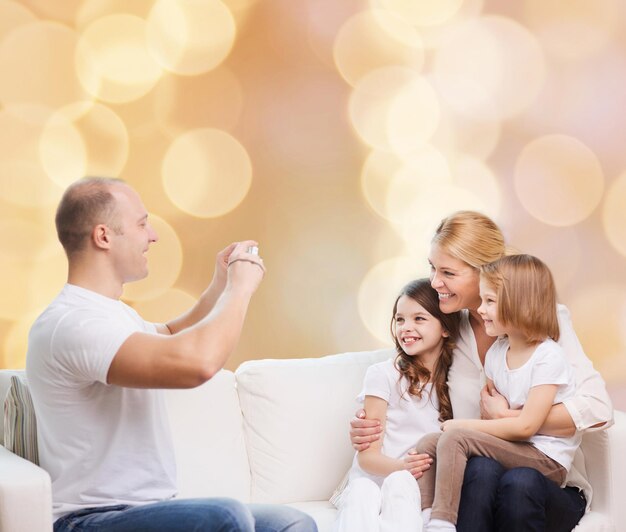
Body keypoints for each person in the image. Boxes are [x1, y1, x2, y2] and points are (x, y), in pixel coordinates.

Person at [26, 177, 317, 532]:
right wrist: (240, 289)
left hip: (152, 510)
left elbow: (169, 335)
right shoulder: (72, 323)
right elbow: (196, 365)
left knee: (292, 523)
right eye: (141, 223)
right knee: (227, 517)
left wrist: (220, 284)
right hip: (91, 520)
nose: (153, 236)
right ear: (103, 237)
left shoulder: (110, 314)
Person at [349, 211, 613, 532]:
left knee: (518, 482)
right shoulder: (448, 329)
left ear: (486, 272)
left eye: (447, 272)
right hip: (478, 479)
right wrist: (371, 428)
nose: (435, 283)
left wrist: (510, 418)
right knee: (481, 470)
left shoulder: (542, 323)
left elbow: (598, 408)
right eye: (432, 268)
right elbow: (406, 375)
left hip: (542, 483)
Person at [417, 254, 581, 531]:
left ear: (519, 303)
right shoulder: (497, 353)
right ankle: (423, 515)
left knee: (454, 436)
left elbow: (526, 426)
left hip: (545, 458)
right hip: (514, 449)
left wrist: (459, 426)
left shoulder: (547, 357)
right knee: (429, 444)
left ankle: (442, 522)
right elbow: (492, 422)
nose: (480, 310)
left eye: (489, 301)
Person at [334, 279, 460, 532]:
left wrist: (407, 474)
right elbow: (368, 458)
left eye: (419, 319)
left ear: (445, 328)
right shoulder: (383, 374)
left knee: (402, 486)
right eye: (400, 319)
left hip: (412, 486)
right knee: (362, 490)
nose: (406, 328)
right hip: (374, 478)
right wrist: (403, 467)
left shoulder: (457, 381)